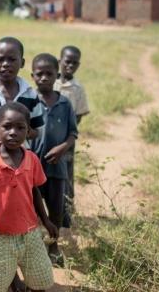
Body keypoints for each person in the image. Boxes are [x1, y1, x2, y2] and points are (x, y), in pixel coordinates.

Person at [0, 102, 58, 292]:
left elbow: (34, 191)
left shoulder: (32, 159)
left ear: (28, 132)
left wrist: (46, 220)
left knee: (39, 281)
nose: (13, 132)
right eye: (7, 126)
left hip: (30, 233)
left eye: (20, 128)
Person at [31, 53, 78, 266]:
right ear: (32, 76)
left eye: (48, 74)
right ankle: (34, 245)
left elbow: (72, 134)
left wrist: (62, 148)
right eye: (39, 74)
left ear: (57, 75)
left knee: (56, 208)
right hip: (33, 167)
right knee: (32, 206)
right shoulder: (28, 101)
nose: (43, 78)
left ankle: (54, 244)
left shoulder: (65, 104)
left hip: (57, 167)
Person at [53, 45, 89, 229]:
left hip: (66, 141)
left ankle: (66, 212)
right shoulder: (51, 81)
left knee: (66, 175)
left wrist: (67, 133)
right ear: (60, 62)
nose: (70, 66)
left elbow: (80, 114)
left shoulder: (78, 89)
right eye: (67, 62)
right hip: (48, 139)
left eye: (75, 63)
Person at [0, 36, 43, 140]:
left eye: (12, 60)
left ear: (22, 63)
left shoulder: (30, 94)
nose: (5, 64)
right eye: (0, 60)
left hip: (18, 154)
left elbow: (37, 130)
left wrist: (19, 133)